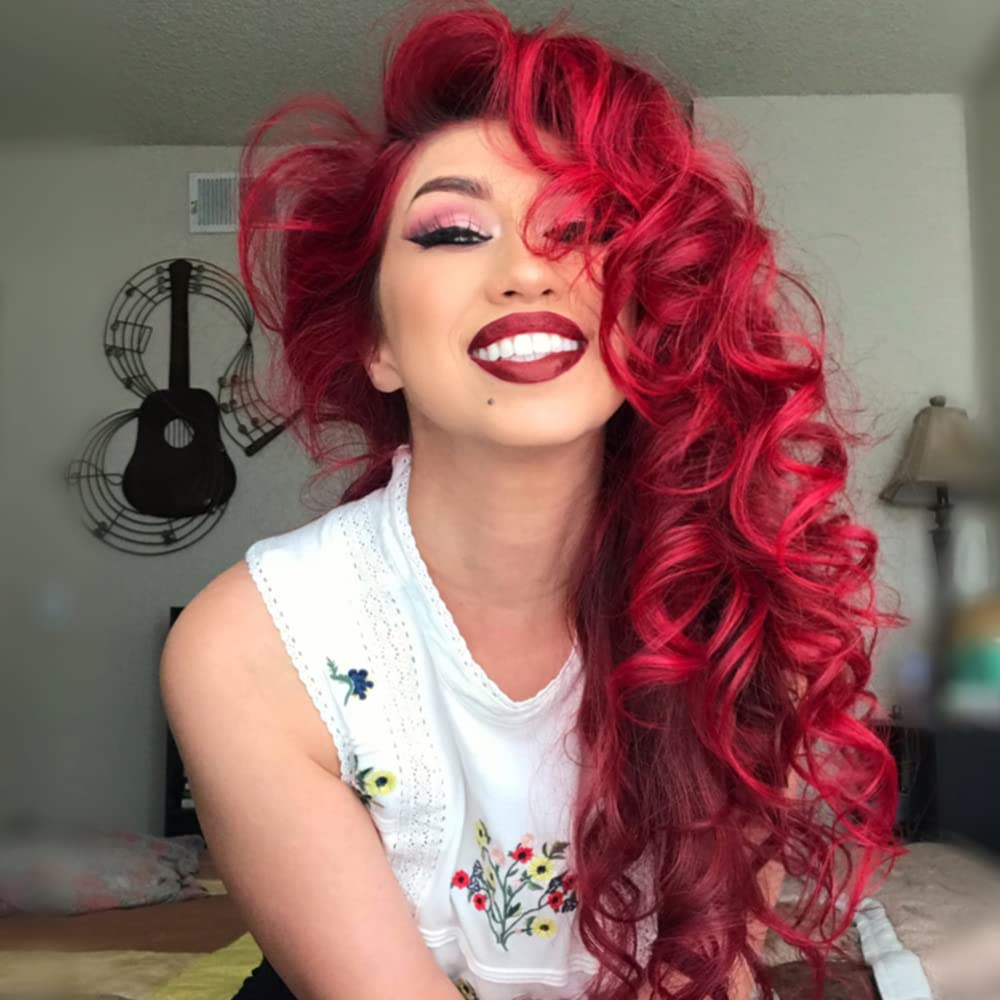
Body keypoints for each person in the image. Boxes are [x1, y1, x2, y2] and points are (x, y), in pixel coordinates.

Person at [160, 2, 908, 998]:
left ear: (651, 312)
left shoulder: (744, 619)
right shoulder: (248, 649)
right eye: (454, 230)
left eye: (583, 226)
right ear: (376, 341)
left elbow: (707, 974)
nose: (526, 269)